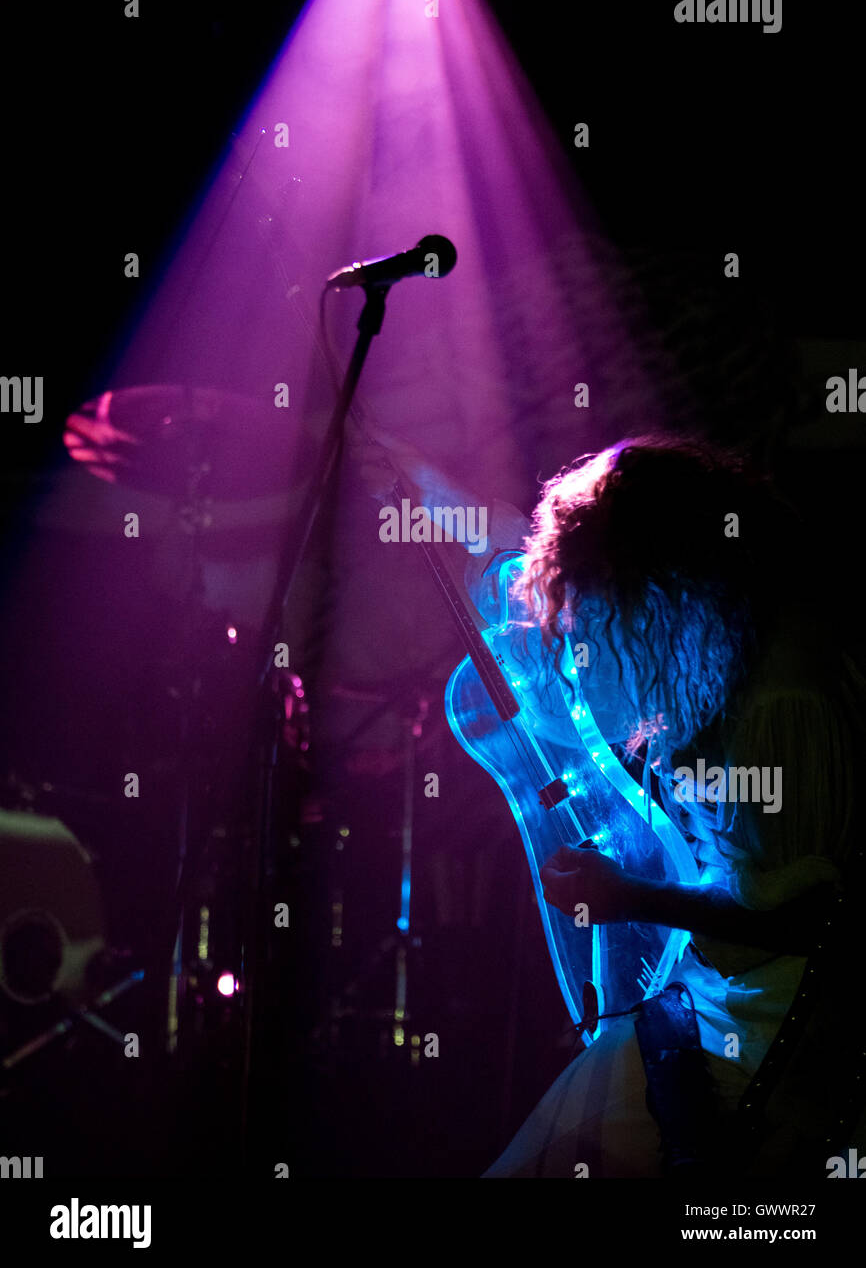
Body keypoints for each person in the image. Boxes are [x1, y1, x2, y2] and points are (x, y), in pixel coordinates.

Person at [356, 426, 866, 1177]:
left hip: (782, 1035)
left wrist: (633, 897)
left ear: (662, 583)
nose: (585, 637)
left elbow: (807, 920)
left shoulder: (782, 698)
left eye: (598, 611)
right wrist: (419, 482)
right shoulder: (710, 643)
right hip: (711, 997)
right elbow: (504, 571)